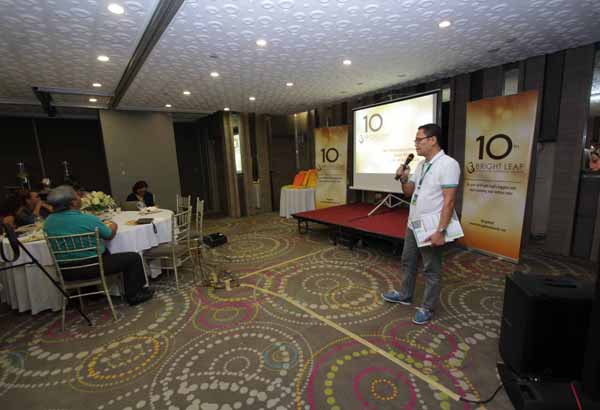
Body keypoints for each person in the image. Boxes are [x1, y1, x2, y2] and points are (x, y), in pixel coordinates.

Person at [382, 123, 460, 325]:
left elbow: (449, 200)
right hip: (413, 224)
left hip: (431, 227)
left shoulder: (448, 164)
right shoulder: (421, 165)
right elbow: (409, 193)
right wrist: (404, 178)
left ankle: (427, 307)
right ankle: (405, 295)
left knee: (431, 269)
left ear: (432, 140)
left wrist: (440, 231)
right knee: (407, 261)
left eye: (419, 140)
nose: (415, 144)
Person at [44, 185, 153, 306]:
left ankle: (91, 293)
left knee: (97, 253)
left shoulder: (48, 222)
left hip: (66, 271)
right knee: (133, 258)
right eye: (77, 196)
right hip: (93, 267)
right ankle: (135, 295)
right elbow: (109, 235)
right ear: (73, 203)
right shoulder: (87, 219)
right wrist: (114, 225)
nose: (80, 198)